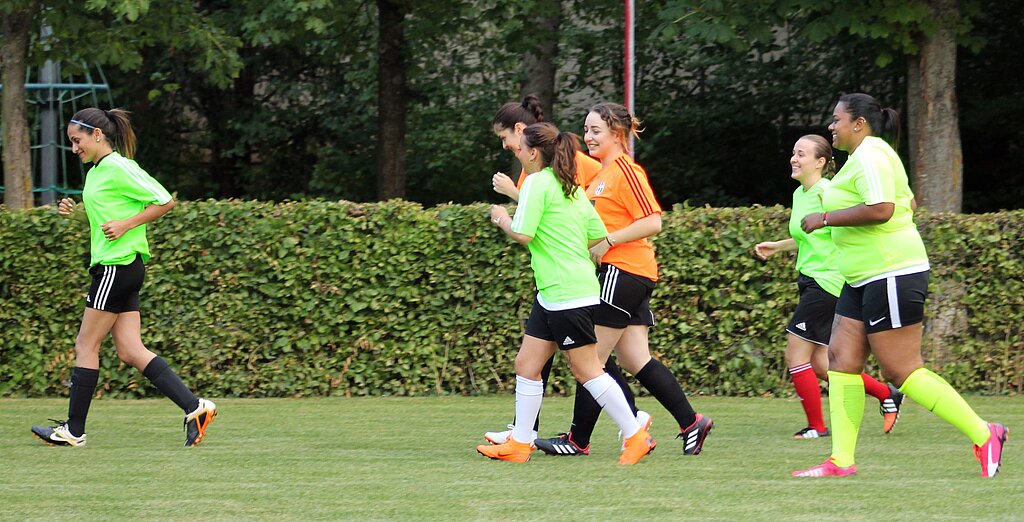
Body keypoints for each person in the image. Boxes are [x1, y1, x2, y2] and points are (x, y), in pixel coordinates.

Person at [792, 93, 1008, 477]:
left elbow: (883, 209)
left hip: (891, 271)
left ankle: (984, 432)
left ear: (858, 123)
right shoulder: (861, 159)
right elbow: (905, 201)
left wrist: (826, 218)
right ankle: (841, 460)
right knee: (841, 362)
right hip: (862, 276)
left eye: (837, 119)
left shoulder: (873, 153)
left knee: (901, 369)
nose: (831, 125)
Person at [532, 102, 712, 457]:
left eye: (596, 131)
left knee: (589, 361)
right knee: (635, 360)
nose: (588, 137)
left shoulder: (626, 171)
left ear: (618, 134)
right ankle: (692, 422)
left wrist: (608, 242)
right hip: (628, 272)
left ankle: (577, 440)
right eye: (586, 130)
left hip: (623, 271)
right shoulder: (600, 174)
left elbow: (654, 221)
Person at [31, 108, 217, 448]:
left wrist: (127, 225)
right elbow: (107, 222)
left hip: (115, 268)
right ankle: (196, 407)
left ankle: (74, 431)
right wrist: (77, 214)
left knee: (86, 345)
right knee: (131, 350)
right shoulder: (97, 172)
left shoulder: (118, 166)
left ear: (97, 135)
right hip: (121, 266)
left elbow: (164, 201)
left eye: (77, 141)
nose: (74, 149)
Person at [476, 122, 656, 464]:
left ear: (532, 152)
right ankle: (520, 444)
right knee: (527, 364)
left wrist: (501, 218)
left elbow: (524, 233)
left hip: (566, 293)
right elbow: (595, 235)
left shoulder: (538, 183)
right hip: (557, 291)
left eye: (520, 149)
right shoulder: (570, 186)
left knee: (587, 370)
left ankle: (636, 435)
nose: (517, 154)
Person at [755, 135, 903, 439]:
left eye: (802, 154)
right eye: (793, 153)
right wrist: (777, 247)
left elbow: (855, 222)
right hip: (810, 280)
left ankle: (817, 427)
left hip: (828, 283)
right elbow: (808, 234)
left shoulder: (828, 192)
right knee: (824, 365)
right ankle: (887, 394)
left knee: (795, 356)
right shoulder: (800, 194)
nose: (794, 159)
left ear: (821, 162)